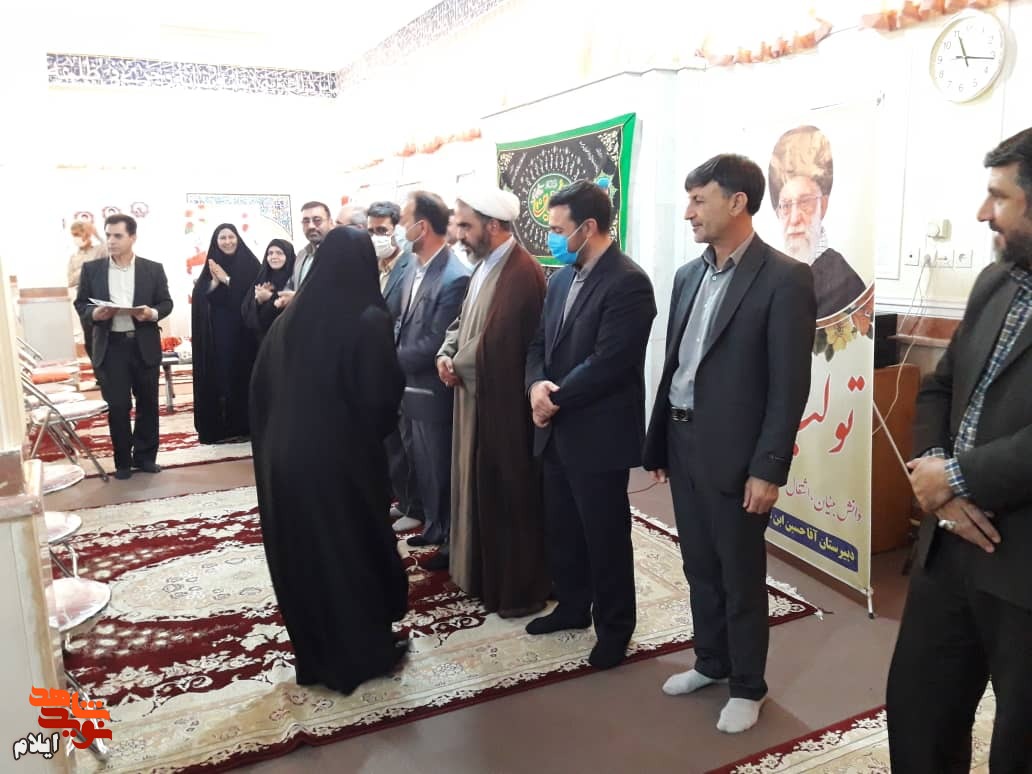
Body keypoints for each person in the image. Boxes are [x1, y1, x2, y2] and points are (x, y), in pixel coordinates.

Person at [642, 154, 816, 734]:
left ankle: (748, 685)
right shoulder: (688, 276)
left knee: (739, 573)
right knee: (698, 563)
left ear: (737, 202)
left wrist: (769, 467)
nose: (688, 212)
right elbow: (677, 365)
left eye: (699, 200)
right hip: (683, 438)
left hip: (738, 455)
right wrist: (660, 442)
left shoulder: (785, 278)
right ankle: (711, 661)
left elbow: (788, 386)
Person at [886, 128, 1032, 772]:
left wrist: (956, 477)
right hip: (948, 547)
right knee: (919, 715)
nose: (981, 213)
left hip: (1021, 562)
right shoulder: (996, 282)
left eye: (998, 197)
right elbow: (940, 388)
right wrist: (935, 477)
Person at [250, 226, 409, 694]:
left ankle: (318, 657)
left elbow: (259, 390)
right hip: (340, 462)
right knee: (350, 551)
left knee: (309, 556)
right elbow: (380, 397)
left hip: (283, 462)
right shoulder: (367, 318)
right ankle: (363, 655)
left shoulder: (291, 318)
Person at [524, 180, 656, 669]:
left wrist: (553, 399)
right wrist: (535, 386)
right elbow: (538, 343)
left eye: (559, 230)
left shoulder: (628, 282)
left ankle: (615, 628)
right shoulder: (560, 279)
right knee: (563, 527)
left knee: (604, 536)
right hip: (556, 427)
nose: (553, 239)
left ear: (589, 227)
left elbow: (610, 361)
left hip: (598, 431)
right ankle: (573, 607)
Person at [436, 183, 549, 617]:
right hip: (473, 394)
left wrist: (457, 364)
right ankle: (477, 572)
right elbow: (462, 322)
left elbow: (499, 342)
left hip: (500, 407)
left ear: (494, 226)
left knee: (506, 494)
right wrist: (446, 352)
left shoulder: (521, 272)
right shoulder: (485, 265)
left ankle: (514, 589)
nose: (460, 235)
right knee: (475, 486)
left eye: (466, 226)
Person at [395, 191, 471, 568]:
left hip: (432, 389)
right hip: (409, 388)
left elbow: (434, 341)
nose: (399, 230)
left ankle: (449, 538)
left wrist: (385, 360)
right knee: (421, 465)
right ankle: (433, 524)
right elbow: (403, 320)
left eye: (403, 221)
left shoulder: (454, 276)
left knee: (440, 467)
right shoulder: (415, 266)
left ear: (421, 227)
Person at [73, 214, 173, 479]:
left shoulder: (152, 269)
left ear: (133, 237)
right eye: (108, 235)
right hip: (111, 346)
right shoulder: (92, 269)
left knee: (148, 404)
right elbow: (81, 304)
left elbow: (166, 303)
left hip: (143, 344)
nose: (111, 241)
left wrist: (151, 313)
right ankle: (123, 462)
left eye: (117, 235)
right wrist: (95, 314)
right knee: (118, 406)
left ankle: (145, 457)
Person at [768, 125, 864, 319]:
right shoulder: (772, 272)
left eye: (805, 203)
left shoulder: (845, 282)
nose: (794, 218)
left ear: (824, 205)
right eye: (786, 205)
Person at [367, 201, 422, 532]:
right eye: (371, 230)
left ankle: (417, 505)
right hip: (378, 366)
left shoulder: (410, 266)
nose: (376, 237)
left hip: (403, 363)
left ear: (397, 230)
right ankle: (403, 499)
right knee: (391, 441)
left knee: (408, 443)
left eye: (382, 230)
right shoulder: (373, 267)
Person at [191, 223, 261, 444]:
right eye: (222, 238)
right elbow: (201, 299)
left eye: (231, 237)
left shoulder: (251, 265)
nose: (228, 241)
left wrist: (228, 280)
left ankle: (246, 426)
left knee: (244, 376)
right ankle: (221, 429)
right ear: (216, 242)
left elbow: (252, 295)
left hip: (245, 336)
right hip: (219, 337)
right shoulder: (211, 267)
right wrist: (214, 283)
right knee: (221, 377)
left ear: (238, 239)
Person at [276, 201, 334, 310]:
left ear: (330, 223)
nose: (311, 226)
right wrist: (283, 297)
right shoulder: (302, 255)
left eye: (317, 220)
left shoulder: (338, 253)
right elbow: (292, 284)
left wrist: (299, 298)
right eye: (306, 221)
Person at [241, 239, 296, 341]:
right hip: (261, 339)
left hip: (286, 338)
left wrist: (270, 297)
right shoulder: (262, 278)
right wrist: (258, 301)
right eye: (270, 253)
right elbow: (246, 310)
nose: (274, 256)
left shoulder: (295, 278)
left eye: (279, 253)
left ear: (288, 256)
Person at [68, 220, 107, 361]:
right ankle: (97, 368)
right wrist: (86, 270)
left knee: (102, 334)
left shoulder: (99, 251)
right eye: (74, 235)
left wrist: (97, 235)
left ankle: (106, 367)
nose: (76, 238)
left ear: (87, 234)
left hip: (100, 296)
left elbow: (110, 249)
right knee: (89, 336)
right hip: (83, 299)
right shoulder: (74, 257)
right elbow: (70, 280)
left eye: (78, 234)